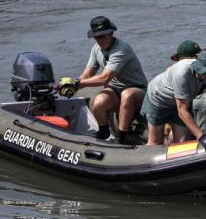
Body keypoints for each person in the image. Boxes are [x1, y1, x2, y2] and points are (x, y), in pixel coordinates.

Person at [57, 15, 148, 143]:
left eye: (106, 34)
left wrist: (77, 82)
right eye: (99, 36)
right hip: (115, 90)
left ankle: (122, 136)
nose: (103, 39)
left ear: (111, 33)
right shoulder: (95, 49)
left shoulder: (121, 49)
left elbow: (104, 78)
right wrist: (72, 85)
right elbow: (87, 74)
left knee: (127, 95)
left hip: (138, 91)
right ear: (94, 37)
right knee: (99, 102)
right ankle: (103, 130)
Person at [141, 47, 206, 151]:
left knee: (182, 143)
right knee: (155, 143)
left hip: (180, 101)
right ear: (197, 67)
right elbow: (182, 110)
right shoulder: (182, 74)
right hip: (159, 98)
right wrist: (201, 136)